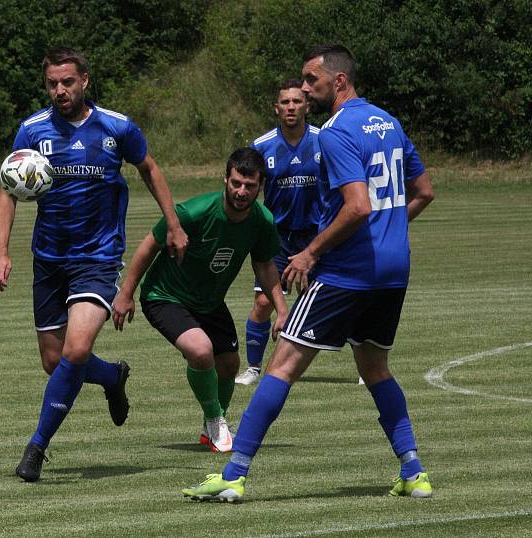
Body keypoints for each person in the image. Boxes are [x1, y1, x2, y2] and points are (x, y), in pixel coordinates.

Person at [182, 44, 435, 502]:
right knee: (376, 368)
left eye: (310, 80)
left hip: (348, 272)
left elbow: (357, 207)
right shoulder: (390, 123)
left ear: (338, 81)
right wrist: (389, 230)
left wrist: (310, 253)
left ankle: (233, 474)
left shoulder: (335, 132)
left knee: (282, 366)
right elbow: (423, 192)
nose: (303, 88)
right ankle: (413, 471)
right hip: (393, 272)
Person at [0, 46, 188, 483]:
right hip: (49, 260)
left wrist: (172, 223)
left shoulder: (116, 127)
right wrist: (1, 253)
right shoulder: (32, 130)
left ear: (85, 81)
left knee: (75, 351)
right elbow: (8, 188)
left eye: (67, 82)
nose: (60, 90)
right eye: (52, 84)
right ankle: (112, 376)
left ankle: (37, 448)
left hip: (97, 259)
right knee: (55, 360)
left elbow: (149, 168)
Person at [112, 148, 288, 452]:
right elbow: (149, 246)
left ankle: (211, 429)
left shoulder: (262, 220)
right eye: (235, 183)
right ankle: (214, 419)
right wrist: (125, 294)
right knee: (201, 351)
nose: (241, 191)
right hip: (165, 296)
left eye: (249, 186)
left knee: (230, 365)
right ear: (225, 178)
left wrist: (282, 310)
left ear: (261, 186)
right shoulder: (195, 212)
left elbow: (264, 264)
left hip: (209, 302)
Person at [236, 80, 322, 386]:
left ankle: (366, 366)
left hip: (317, 238)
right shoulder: (261, 146)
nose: (290, 107)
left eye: (297, 102)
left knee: (335, 298)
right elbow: (246, 191)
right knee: (263, 303)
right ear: (276, 108)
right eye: (284, 102)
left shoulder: (325, 140)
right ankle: (253, 368)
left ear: (307, 106)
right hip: (277, 239)